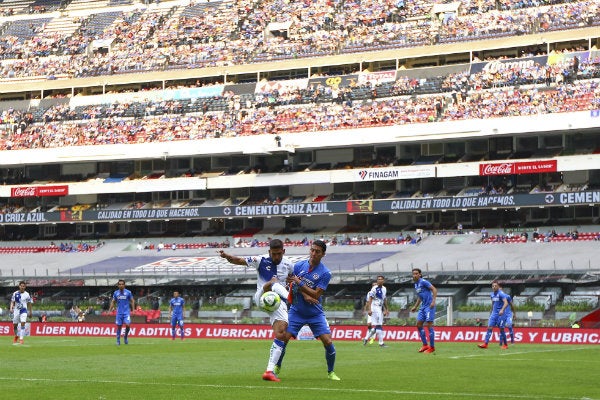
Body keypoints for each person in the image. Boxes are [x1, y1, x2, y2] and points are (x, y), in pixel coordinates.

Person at [219, 239, 293, 382]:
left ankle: (269, 371)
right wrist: (226, 256)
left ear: (283, 251)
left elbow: (292, 279)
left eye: (279, 254)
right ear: (269, 252)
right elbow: (238, 260)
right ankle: (289, 298)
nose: (276, 257)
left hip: (277, 303)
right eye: (273, 254)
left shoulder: (289, 264)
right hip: (262, 296)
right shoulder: (260, 260)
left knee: (282, 333)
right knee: (273, 282)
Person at [283, 239, 341, 381]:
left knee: (327, 341)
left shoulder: (325, 273)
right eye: (312, 250)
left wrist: (299, 282)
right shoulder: (298, 266)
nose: (314, 253)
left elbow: (316, 294)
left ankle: (331, 372)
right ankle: (276, 367)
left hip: (315, 313)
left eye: (317, 251)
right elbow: (289, 282)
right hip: (296, 310)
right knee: (283, 339)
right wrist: (304, 293)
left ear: (323, 254)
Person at [410, 268, 437, 354]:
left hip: (429, 306)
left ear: (420, 274)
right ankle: (425, 345)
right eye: (413, 274)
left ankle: (432, 347)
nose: (414, 275)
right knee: (418, 324)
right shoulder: (416, 284)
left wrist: (433, 301)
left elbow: (434, 289)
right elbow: (420, 297)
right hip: (422, 307)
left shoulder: (423, 281)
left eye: (416, 274)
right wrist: (415, 306)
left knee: (429, 325)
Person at [478, 280, 509, 349]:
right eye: (493, 286)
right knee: (489, 327)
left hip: (501, 314)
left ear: (498, 286)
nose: (494, 287)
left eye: (495, 286)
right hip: (494, 314)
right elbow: (493, 303)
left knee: (501, 329)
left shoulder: (501, 294)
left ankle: (506, 345)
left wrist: (502, 310)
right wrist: (491, 311)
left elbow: (506, 303)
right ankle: (485, 344)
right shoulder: (492, 294)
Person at [362, 276, 390, 347]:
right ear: (377, 281)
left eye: (381, 279)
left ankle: (366, 338)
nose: (379, 280)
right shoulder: (374, 288)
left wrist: (386, 309)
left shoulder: (384, 289)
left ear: (383, 280)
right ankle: (381, 343)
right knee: (379, 325)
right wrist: (369, 309)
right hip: (374, 308)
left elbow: (384, 299)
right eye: (378, 279)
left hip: (379, 308)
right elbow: (370, 299)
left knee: (377, 326)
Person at [109, 279, 135, 345]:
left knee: (128, 325)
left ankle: (125, 336)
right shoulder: (116, 293)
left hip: (126, 312)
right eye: (119, 284)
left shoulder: (128, 292)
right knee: (119, 326)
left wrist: (133, 310)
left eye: (122, 284)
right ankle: (118, 340)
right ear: (118, 285)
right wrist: (109, 310)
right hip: (119, 313)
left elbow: (132, 301)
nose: (121, 285)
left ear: (124, 285)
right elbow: (113, 302)